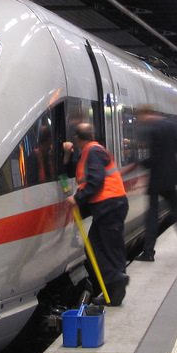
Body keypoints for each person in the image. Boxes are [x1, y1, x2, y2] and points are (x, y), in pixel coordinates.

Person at [63, 123, 130, 306]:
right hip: (111, 205)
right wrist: (68, 155)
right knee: (108, 247)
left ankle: (115, 279)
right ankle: (115, 292)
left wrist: (77, 198)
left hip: (110, 205)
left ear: (77, 138)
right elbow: (77, 173)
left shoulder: (92, 152)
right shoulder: (91, 151)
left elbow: (96, 179)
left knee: (97, 247)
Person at [134, 105, 177, 263]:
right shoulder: (171, 125)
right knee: (176, 213)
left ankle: (148, 252)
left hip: (158, 178)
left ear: (145, 114)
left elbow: (155, 158)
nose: (140, 121)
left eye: (139, 117)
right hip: (171, 176)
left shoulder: (153, 130)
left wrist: (138, 165)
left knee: (152, 216)